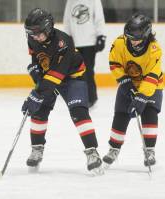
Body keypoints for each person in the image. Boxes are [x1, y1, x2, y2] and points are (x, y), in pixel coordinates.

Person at [22, 8, 103, 174]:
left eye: (37, 33)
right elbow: (36, 58)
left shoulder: (63, 42)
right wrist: (36, 70)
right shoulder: (32, 38)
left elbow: (57, 74)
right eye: (31, 33)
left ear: (48, 28)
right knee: (38, 111)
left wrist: (37, 94)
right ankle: (37, 148)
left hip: (72, 76)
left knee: (78, 112)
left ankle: (92, 152)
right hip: (50, 76)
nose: (34, 37)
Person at [102, 14, 163, 167]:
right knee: (121, 113)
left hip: (152, 86)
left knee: (149, 112)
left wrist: (141, 97)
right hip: (128, 83)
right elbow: (115, 64)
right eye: (130, 37)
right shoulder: (120, 43)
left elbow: (151, 76)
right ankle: (114, 149)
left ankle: (149, 150)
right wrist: (125, 83)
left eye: (136, 38)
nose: (133, 41)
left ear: (147, 35)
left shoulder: (154, 49)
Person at [63, 0, 106, 108]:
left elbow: (99, 17)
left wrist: (101, 36)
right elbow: (67, 20)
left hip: (89, 42)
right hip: (75, 42)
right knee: (76, 72)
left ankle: (91, 97)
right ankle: (79, 96)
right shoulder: (70, 2)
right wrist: (67, 37)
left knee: (88, 72)